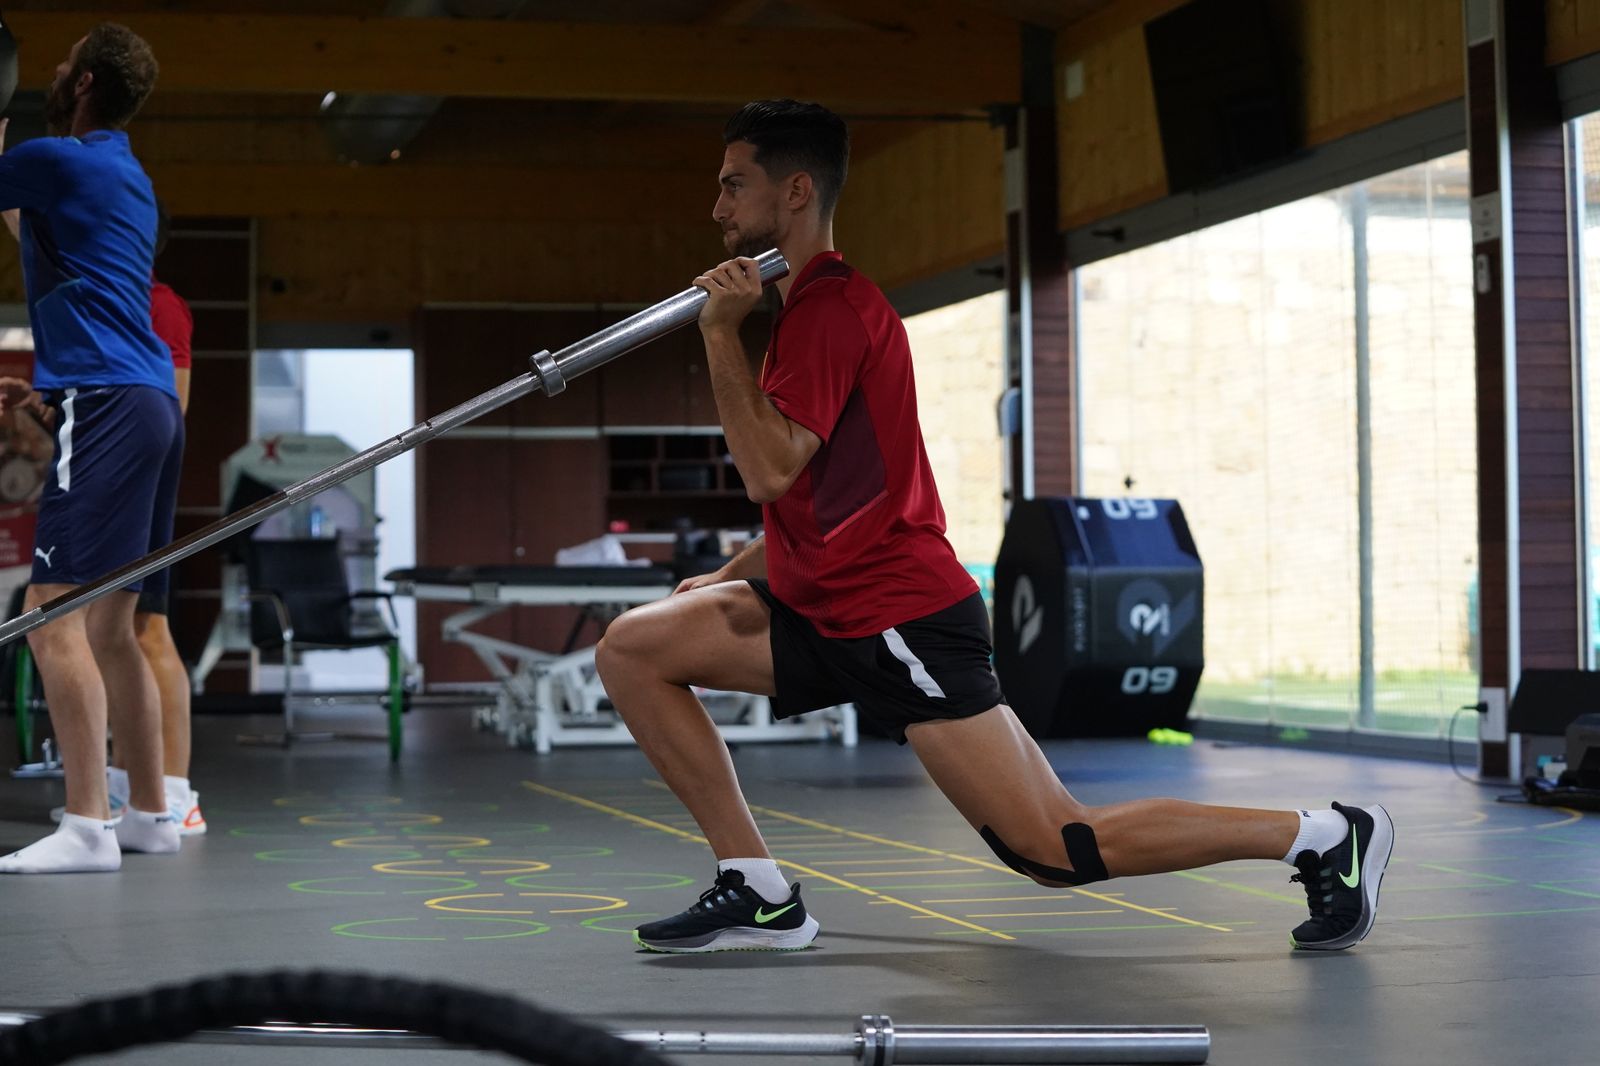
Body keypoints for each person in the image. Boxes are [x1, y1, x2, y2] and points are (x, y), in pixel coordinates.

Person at [594, 99, 1395, 954]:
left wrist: (721, 336)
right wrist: (731, 574)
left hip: (898, 624)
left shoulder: (828, 310)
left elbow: (766, 469)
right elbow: (823, 498)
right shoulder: (809, 311)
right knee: (636, 648)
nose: (717, 208)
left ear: (794, 191)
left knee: (1056, 849)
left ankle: (1323, 837)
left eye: (733, 185)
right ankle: (755, 887)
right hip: (826, 609)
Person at [0, 23, 181, 874]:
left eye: (65, 58)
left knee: (48, 612)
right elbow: (23, 223)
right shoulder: (120, 172)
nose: (56, 66)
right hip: (145, 402)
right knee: (113, 625)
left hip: (103, 399)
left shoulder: (56, 157)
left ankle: (85, 826)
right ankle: (149, 812)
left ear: (83, 82)